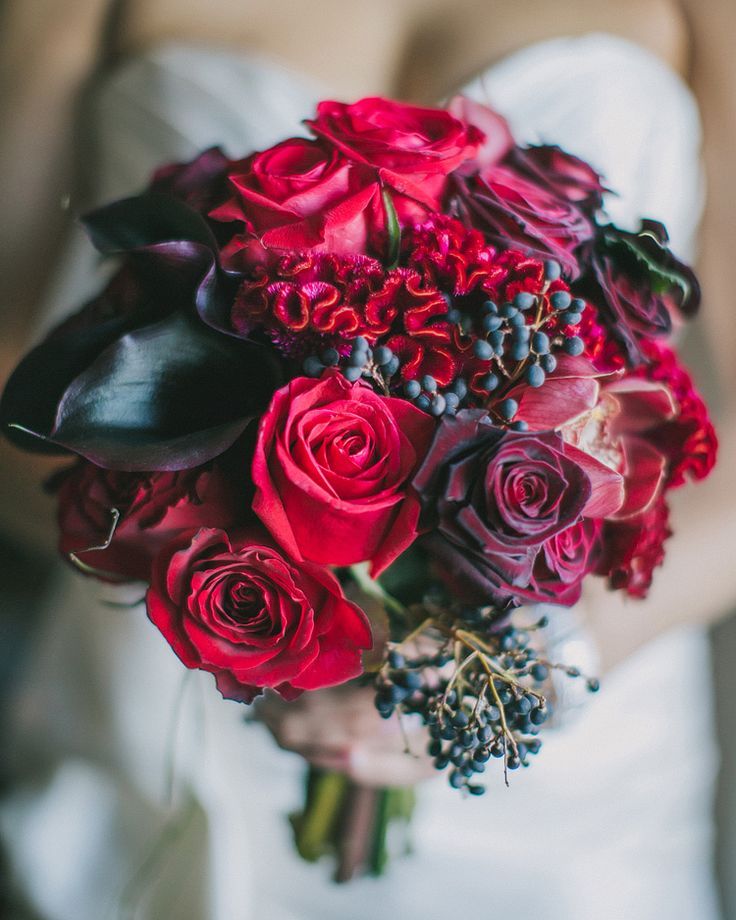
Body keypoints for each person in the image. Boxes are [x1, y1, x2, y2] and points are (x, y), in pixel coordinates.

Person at [0, 2, 734, 918]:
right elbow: (11, 372)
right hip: (179, 696)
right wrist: (219, 587)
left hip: (562, 779)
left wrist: (533, 661)